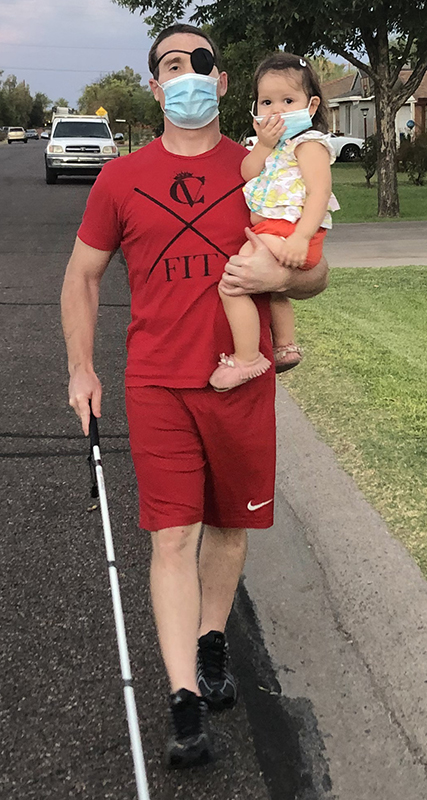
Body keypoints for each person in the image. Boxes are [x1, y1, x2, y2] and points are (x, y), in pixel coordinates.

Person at [60, 23, 328, 769]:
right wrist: (81, 367)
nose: (185, 74)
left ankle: (213, 643)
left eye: (198, 63)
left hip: (241, 383)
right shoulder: (120, 178)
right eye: (168, 65)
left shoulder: (267, 168)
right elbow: (81, 278)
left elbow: (312, 270)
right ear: (153, 86)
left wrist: (280, 280)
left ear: (221, 83)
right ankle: (184, 699)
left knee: (228, 527)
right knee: (171, 535)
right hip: (157, 385)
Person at [209, 53, 339, 392]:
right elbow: (247, 173)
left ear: (310, 107)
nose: (276, 110)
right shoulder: (269, 147)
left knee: (233, 285)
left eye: (287, 100)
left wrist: (301, 237)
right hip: (273, 231)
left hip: (291, 233)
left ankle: (248, 357)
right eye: (266, 101)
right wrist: (264, 145)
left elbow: (319, 193)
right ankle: (284, 345)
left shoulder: (308, 145)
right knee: (269, 290)